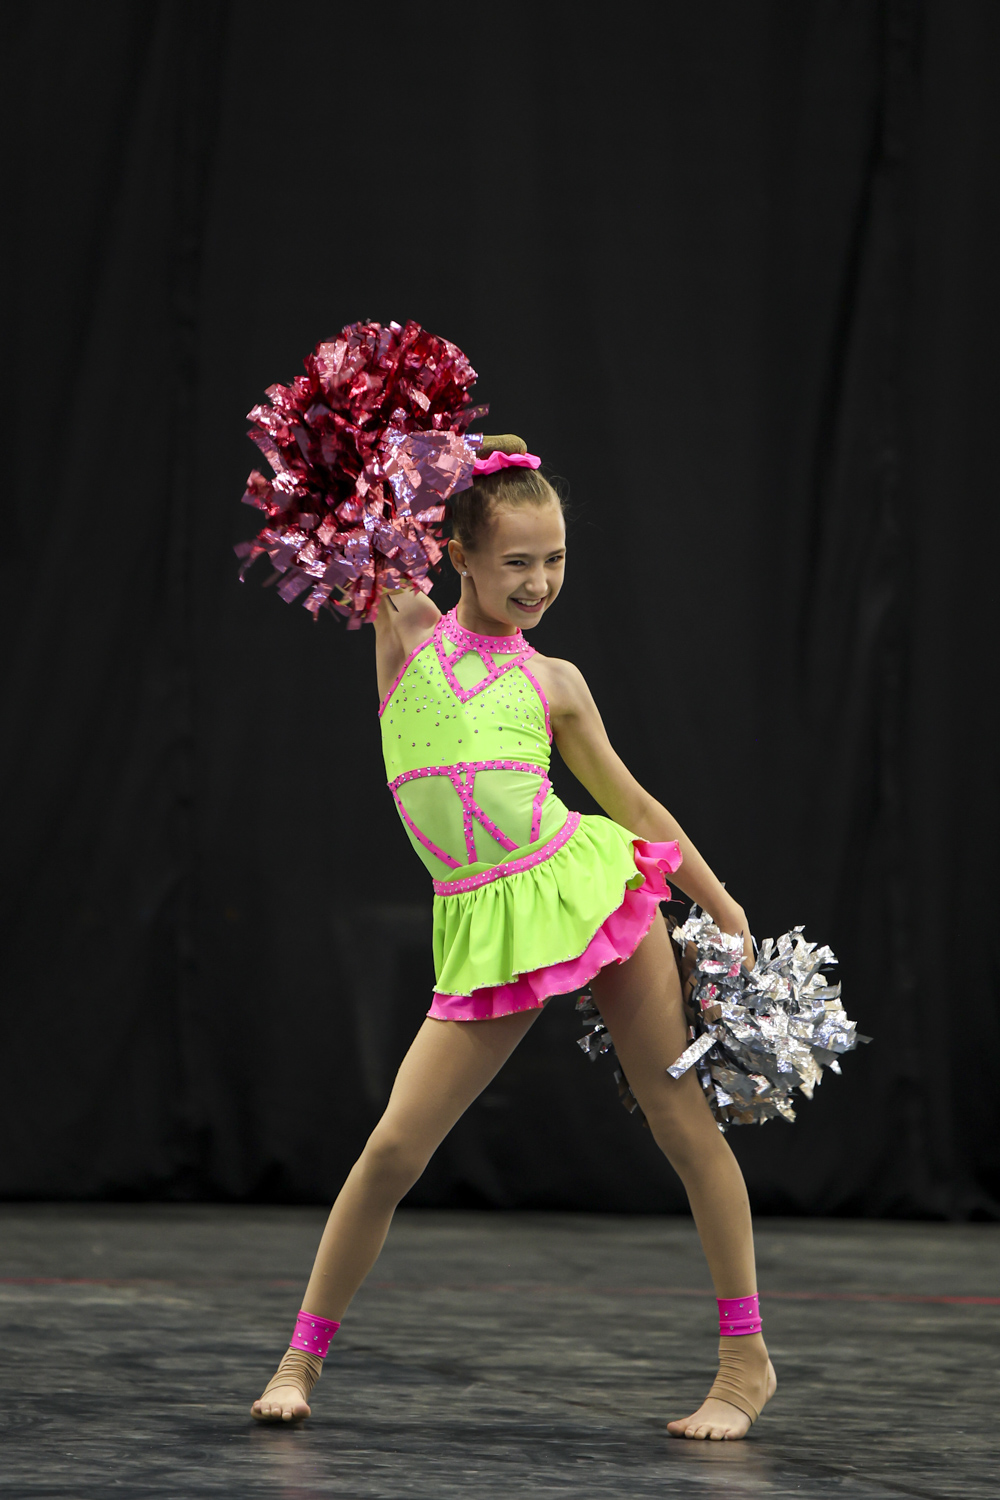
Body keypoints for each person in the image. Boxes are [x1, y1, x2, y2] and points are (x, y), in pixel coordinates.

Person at [250, 435, 776, 1438]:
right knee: (393, 1147)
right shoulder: (405, 624)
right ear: (457, 554)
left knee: (679, 1122)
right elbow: (350, 503)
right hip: (487, 925)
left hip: (589, 888)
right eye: (516, 561)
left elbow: (631, 804)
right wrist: (450, 453)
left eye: (555, 559)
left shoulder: (556, 682)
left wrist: (720, 904)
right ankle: (297, 1362)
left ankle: (745, 1365)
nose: (538, 582)